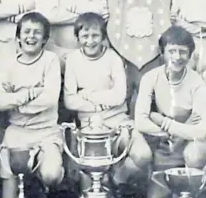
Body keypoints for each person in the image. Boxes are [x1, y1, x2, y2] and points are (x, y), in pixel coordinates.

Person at [63, 13, 152, 196]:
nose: (90, 41)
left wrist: (88, 94)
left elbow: (119, 96)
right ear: (77, 37)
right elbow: (70, 100)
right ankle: (100, 183)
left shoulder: (113, 58)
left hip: (118, 121)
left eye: (95, 36)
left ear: (103, 36)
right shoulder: (72, 59)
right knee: (89, 189)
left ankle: (117, 178)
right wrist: (100, 105)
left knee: (143, 155)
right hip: (89, 127)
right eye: (85, 36)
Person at [135, 26, 206, 198]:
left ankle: (196, 183)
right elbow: (141, 121)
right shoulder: (150, 78)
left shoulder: (197, 82)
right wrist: (171, 131)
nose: (177, 57)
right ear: (162, 53)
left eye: (183, 52)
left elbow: (199, 130)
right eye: (172, 51)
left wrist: (161, 121)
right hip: (166, 144)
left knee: (193, 156)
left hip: (191, 144)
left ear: (190, 54)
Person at [0, 12, 64, 198]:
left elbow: (50, 97)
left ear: (45, 39)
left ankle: (40, 183)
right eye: (26, 32)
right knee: (9, 191)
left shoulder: (50, 60)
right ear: (18, 37)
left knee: (52, 174)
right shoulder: (9, 65)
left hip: (46, 131)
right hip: (17, 130)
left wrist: (19, 105)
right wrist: (28, 94)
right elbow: (0, 101)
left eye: (37, 33)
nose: (31, 37)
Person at [107, 0, 167, 118]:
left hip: (150, 51)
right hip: (121, 49)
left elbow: (162, 20)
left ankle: (150, 138)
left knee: (149, 93)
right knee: (121, 92)